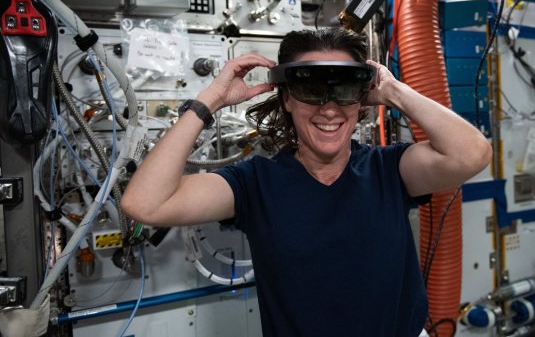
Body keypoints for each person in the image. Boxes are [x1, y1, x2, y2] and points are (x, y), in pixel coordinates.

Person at [122, 27, 492, 336]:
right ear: (286, 99)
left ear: (361, 97)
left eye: (343, 89)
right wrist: (209, 101)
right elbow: (146, 204)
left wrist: (394, 91)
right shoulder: (255, 184)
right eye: (311, 89)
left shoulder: (390, 170)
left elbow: (472, 154)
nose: (329, 108)